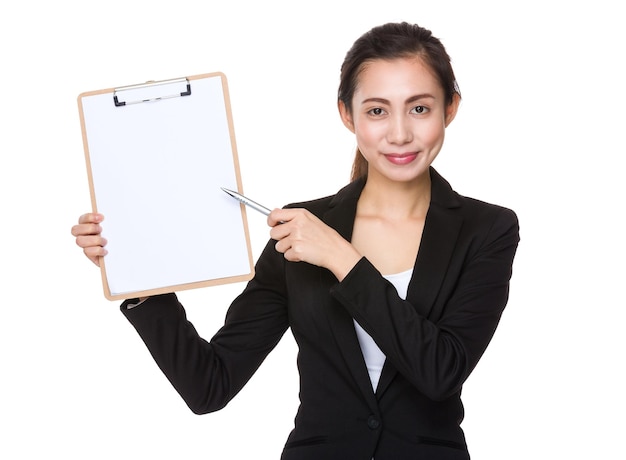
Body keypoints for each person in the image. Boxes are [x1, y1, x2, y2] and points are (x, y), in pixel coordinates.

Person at [71, 22, 519, 460]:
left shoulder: (487, 230)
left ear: (450, 108)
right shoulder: (301, 230)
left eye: (419, 108)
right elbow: (209, 385)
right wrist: (141, 279)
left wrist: (342, 258)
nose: (399, 133)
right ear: (348, 114)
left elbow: (441, 372)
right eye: (377, 110)